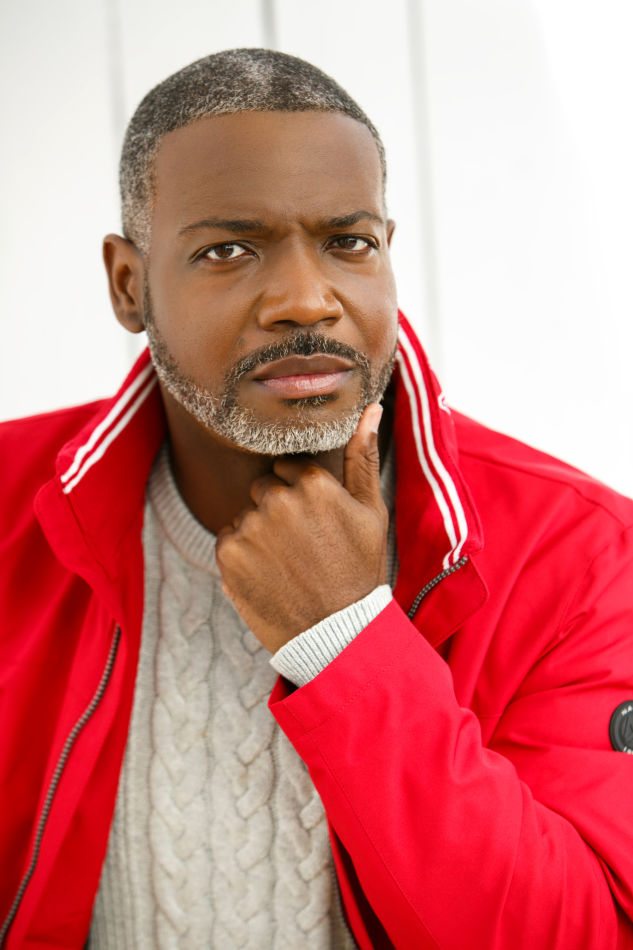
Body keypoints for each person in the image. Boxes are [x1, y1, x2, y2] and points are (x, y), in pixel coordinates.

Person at [1, 47, 632, 950]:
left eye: (347, 243)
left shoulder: (582, 552)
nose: (305, 299)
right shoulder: (10, 506)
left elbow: (580, 935)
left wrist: (347, 641)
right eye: (227, 250)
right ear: (129, 285)